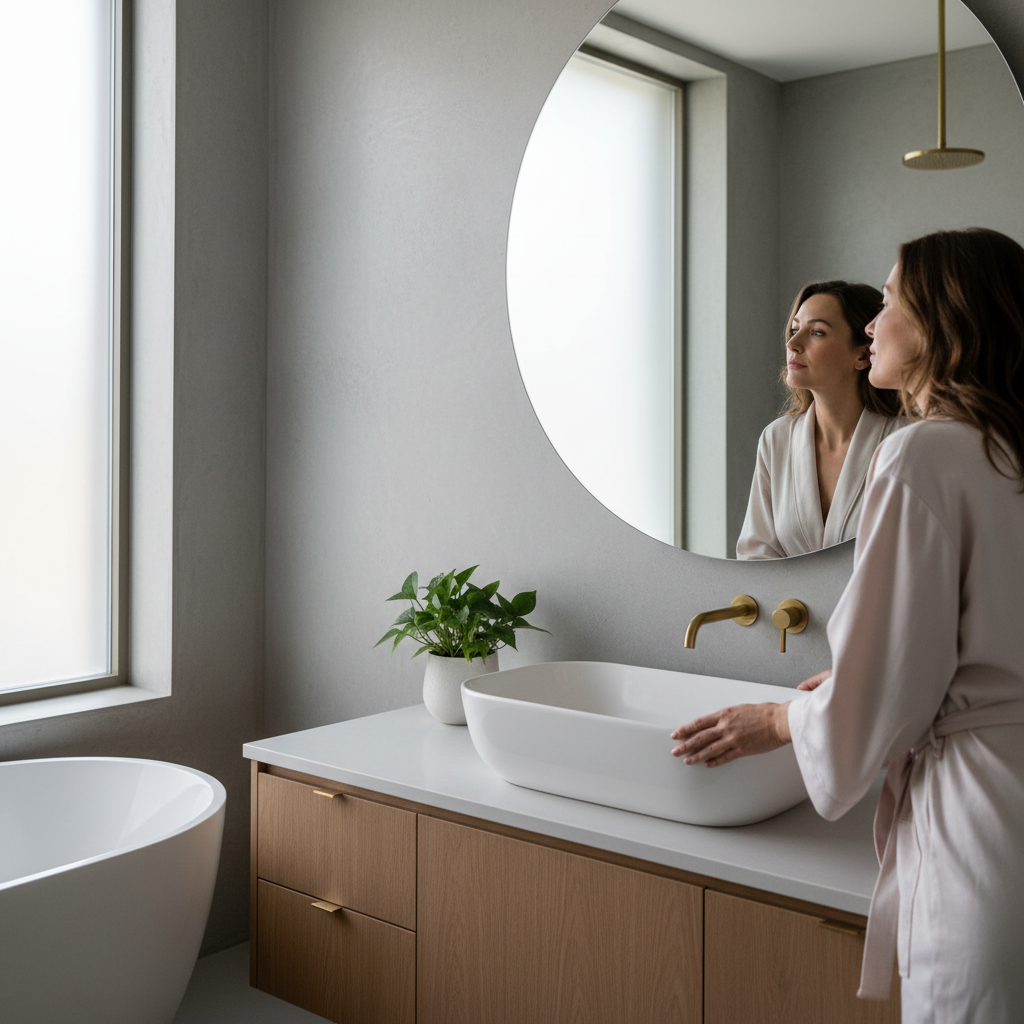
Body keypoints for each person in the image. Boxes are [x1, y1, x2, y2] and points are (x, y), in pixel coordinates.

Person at [671, 227, 1024, 1023]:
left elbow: (882, 697)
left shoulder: (921, 453)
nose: (873, 324)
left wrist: (780, 718)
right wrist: (883, 677)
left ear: (940, 322)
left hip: (979, 828)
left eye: (890, 301)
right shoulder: (1004, 452)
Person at [736, 281, 903, 558]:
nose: (792, 344)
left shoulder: (904, 442)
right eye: (794, 330)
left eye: (816, 332)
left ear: (863, 354)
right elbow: (756, 556)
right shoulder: (776, 439)